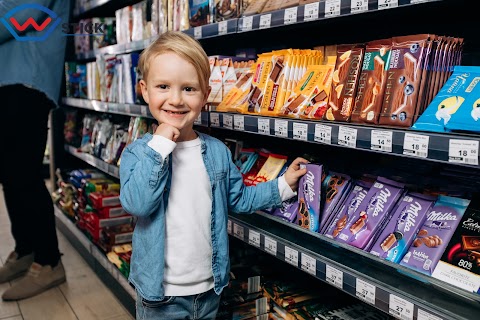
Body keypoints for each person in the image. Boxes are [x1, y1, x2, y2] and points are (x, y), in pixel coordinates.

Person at [119, 31, 308, 319]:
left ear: (205, 95)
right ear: (145, 90)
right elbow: (138, 204)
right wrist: (160, 146)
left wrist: (284, 184)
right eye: (163, 86)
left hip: (209, 289)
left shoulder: (217, 152)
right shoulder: (138, 153)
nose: (176, 99)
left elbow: (240, 199)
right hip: (161, 296)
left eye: (189, 89)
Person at [0, 0, 69, 300]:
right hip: (10, 78)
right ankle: (27, 249)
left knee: (23, 173)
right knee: (9, 173)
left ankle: (49, 260)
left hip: (28, 79)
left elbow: (25, 13)